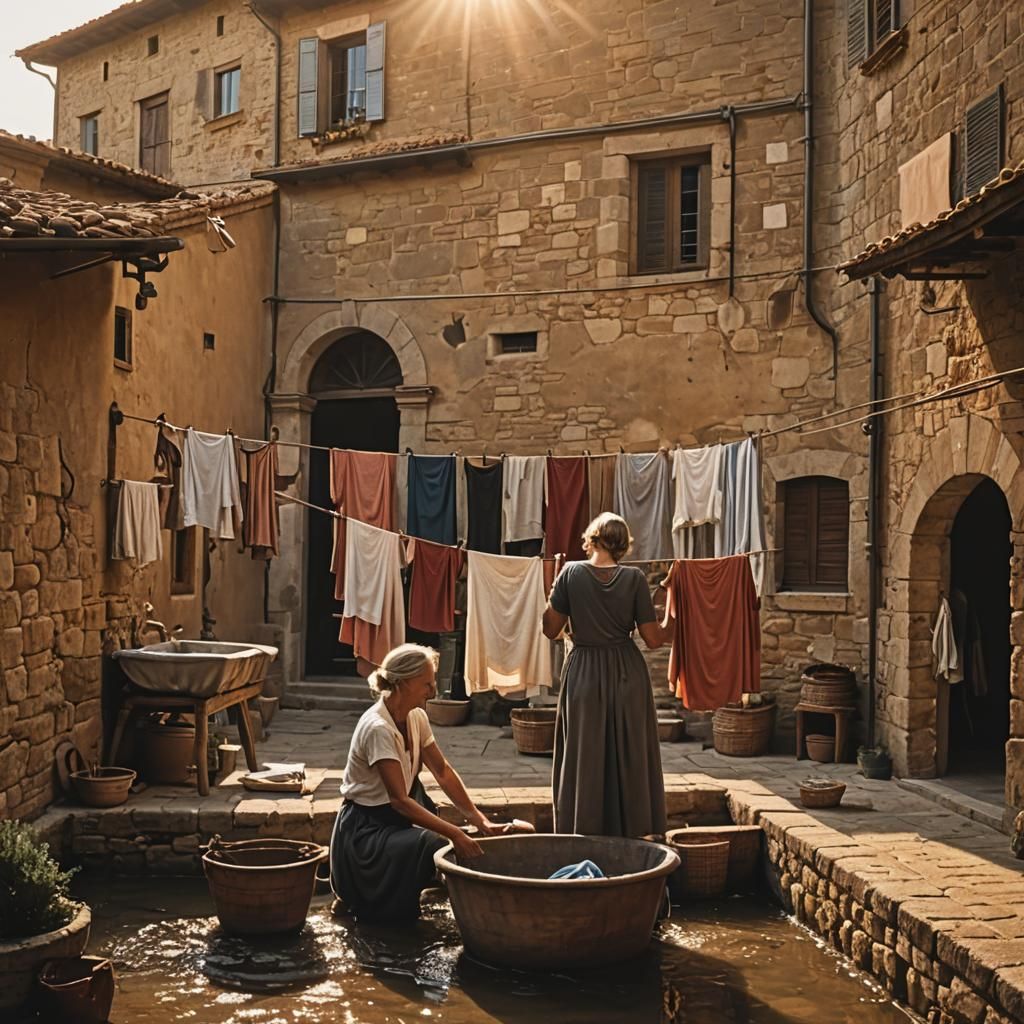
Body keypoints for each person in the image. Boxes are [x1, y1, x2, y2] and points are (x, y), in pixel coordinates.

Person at [330, 643, 501, 922]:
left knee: (444, 831)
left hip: (394, 821)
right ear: (403, 683)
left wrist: (479, 819)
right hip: (366, 833)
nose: (433, 691)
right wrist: (455, 834)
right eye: (427, 684)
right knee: (434, 842)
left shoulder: (416, 716)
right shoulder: (378, 728)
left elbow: (442, 771)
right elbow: (399, 801)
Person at [542, 512, 669, 838]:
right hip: (627, 673)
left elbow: (550, 629)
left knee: (584, 754)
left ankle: (582, 833)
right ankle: (634, 834)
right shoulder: (635, 578)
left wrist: (554, 590)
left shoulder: (570, 573)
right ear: (623, 545)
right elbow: (654, 639)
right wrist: (673, 613)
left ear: (591, 539)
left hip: (583, 674)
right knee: (630, 754)